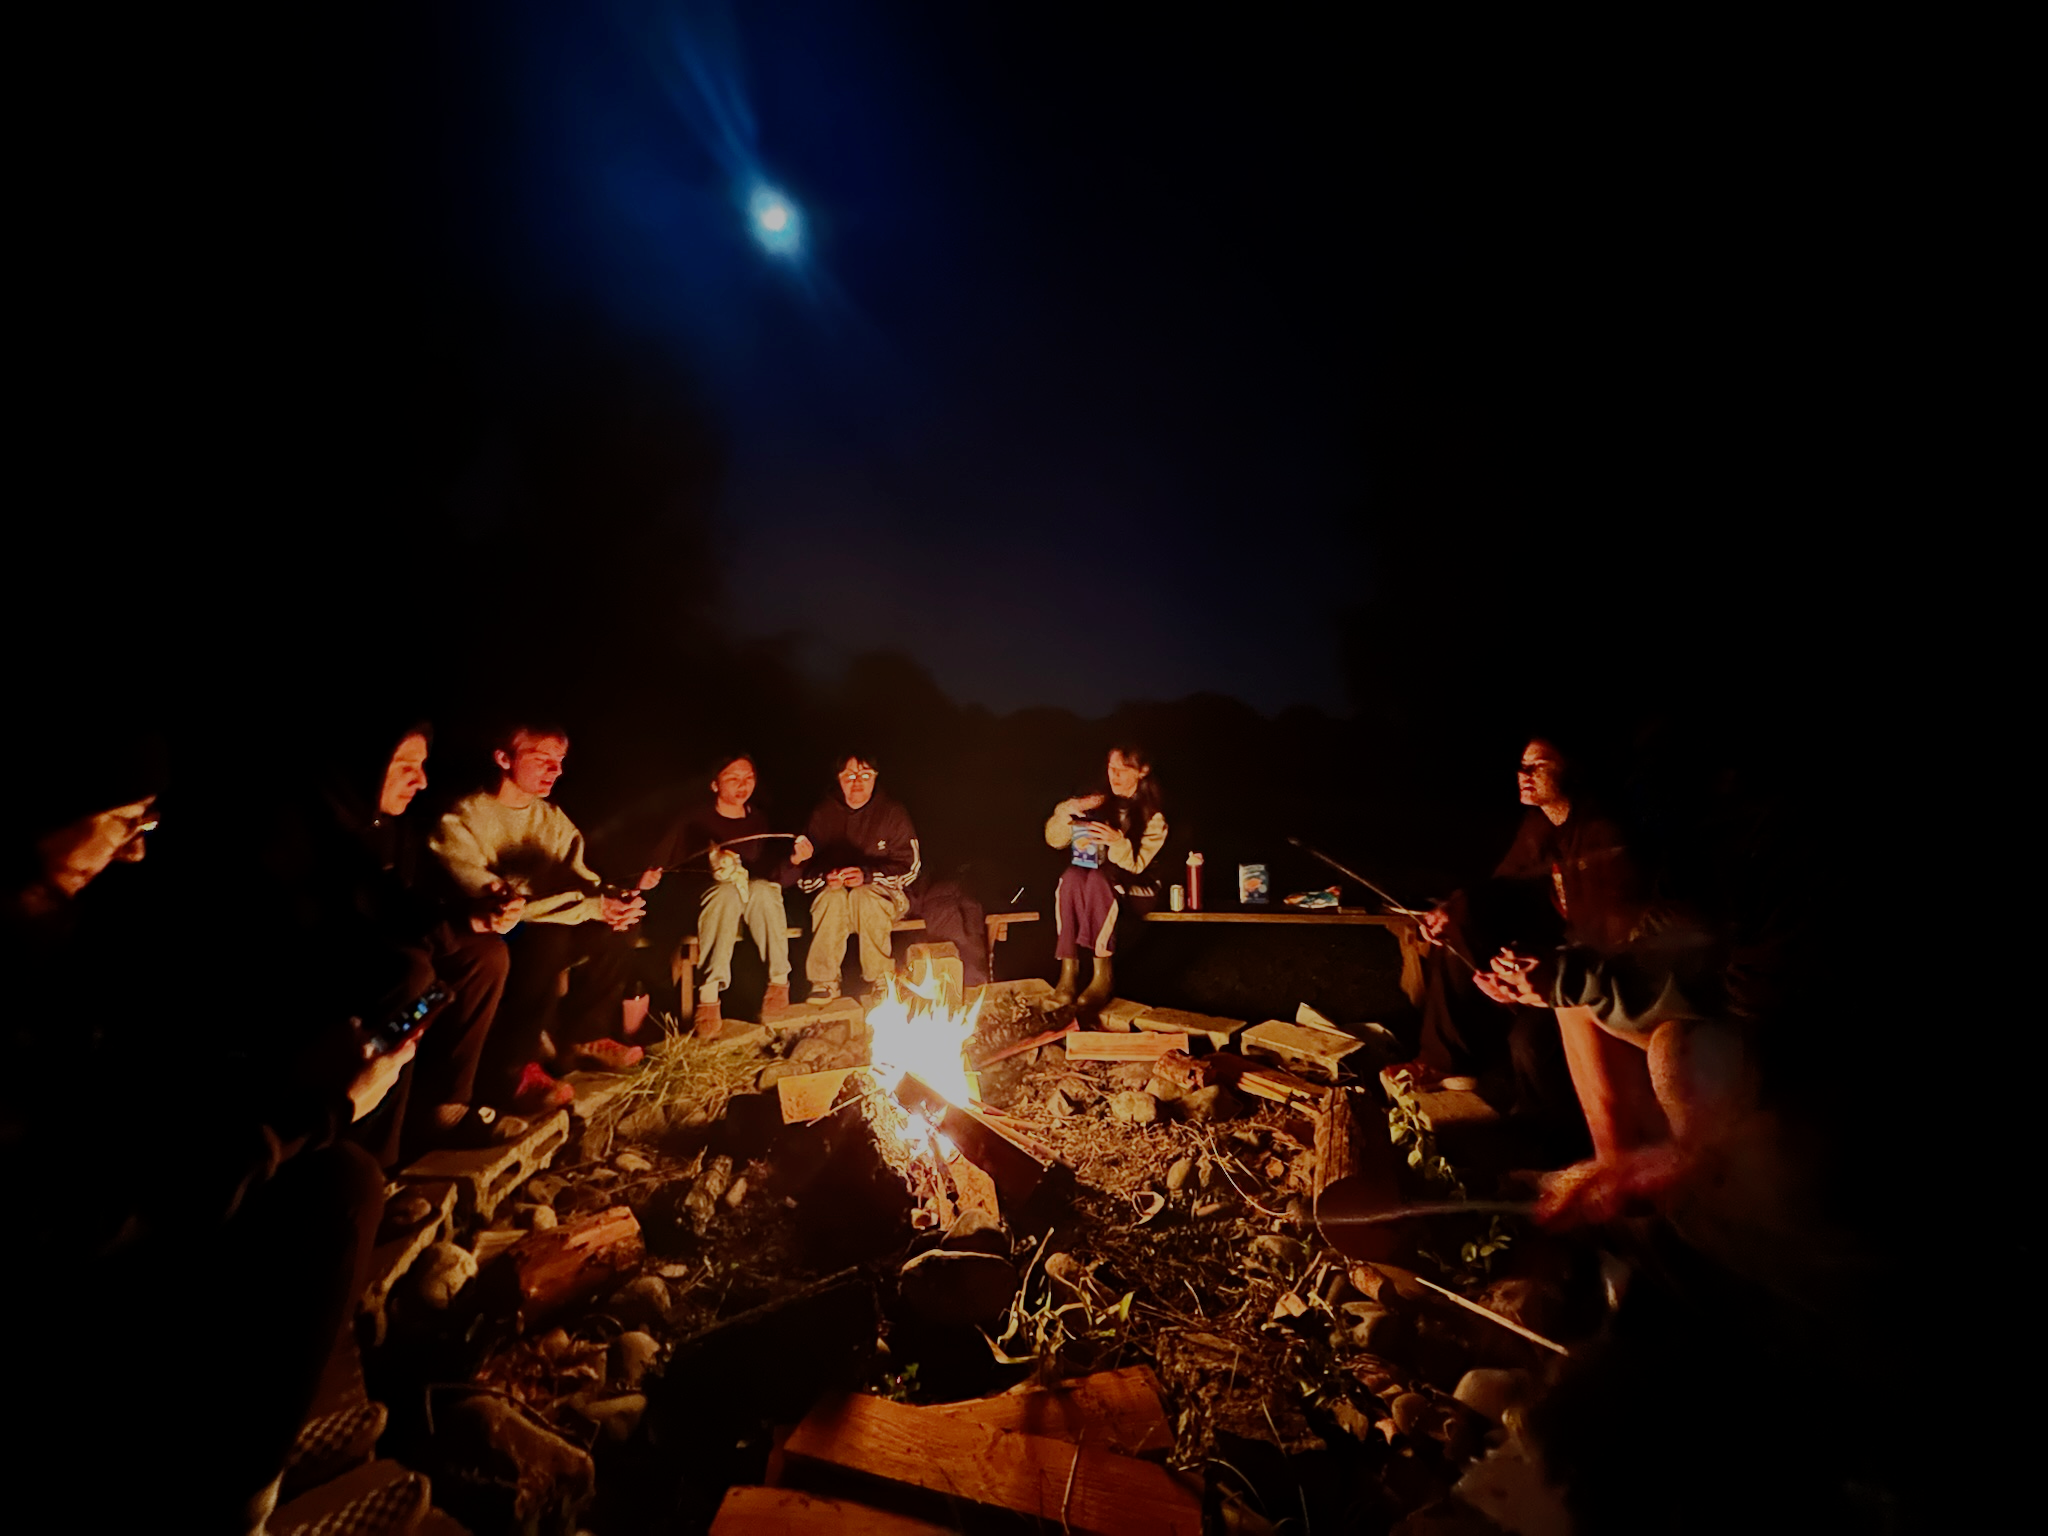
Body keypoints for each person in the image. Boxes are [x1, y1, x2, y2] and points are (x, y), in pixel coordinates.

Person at [2, 730, 407, 1532]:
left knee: (331, 1175)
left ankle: (246, 1435)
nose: (136, 851)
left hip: (101, 1219)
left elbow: (137, 1090)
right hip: (60, 1285)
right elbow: (83, 1215)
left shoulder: (61, 930)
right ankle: (230, 1502)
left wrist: (283, 1085)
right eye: (125, 820)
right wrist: (318, 1112)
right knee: (335, 1186)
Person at [265, 717, 511, 1163]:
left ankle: (445, 1108)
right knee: (410, 975)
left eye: (423, 766)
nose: (422, 781)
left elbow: (409, 901)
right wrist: (423, 937)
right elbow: (328, 923)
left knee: (484, 956)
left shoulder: (389, 828)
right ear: (367, 767)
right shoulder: (305, 829)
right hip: (314, 969)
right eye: (405, 767)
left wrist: (469, 918)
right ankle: (373, 1158)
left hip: (383, 945)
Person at [1403, 735, 1658, 1157]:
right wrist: (1452, 909)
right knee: (1460, 924)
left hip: (1604, 964)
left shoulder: (1602, 831)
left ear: (1572, 771)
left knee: (1530, 1038)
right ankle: (1442, 1061)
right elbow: (1505, 884)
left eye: (1539, 765)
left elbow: (1605, 936)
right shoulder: (1540, 824)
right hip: (1558, 946)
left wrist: (1538, 970)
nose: (1523, 774)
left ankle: (1554, 1143)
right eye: (1522, 765)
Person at [429, 721, 649, 1114]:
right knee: (547, 937)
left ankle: (583, 1037)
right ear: (504, 759)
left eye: (560, 761)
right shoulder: (463, 818)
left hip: (550, 922)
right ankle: (515, 1069)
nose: (555, 770)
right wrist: (588, 906)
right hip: (496, 932)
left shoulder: (551, 819)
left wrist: (613, 900)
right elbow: (492, 901)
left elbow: (580, 878)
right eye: (542, 758)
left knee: (620, 926)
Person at [647, 751, 801, 1038]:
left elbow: (774, 875)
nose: (742, 785)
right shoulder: (694, 819)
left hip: (749, 903)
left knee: (764, 889)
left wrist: (794, 860)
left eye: (748, 778)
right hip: (707, 903)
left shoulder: (759, 820)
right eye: (733, 778)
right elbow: (663, 862)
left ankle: (779, 980)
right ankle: (708, 997)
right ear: (714, 784)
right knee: (725, 893)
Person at [1042, 745, 1167, 1010]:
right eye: (1111, 768)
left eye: (1123, 769)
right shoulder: (1099, 802)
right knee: (1071, 877)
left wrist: (1117, 842)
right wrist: (1067, 810)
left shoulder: (1153, 816)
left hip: (1139, 887)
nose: (1115, 775)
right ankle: (1068, 973)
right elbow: (1054, 840)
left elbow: (1137, 865)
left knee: (1098, 880)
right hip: (1098, 879)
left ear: (1143, 771)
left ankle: (1102, 975)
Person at [792, 751, 919, 1003]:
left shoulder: (892, 813)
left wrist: (868, 875)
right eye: (849, 776)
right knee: (831, 897)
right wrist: (826, 877)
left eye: (865, 775)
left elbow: (911, 867)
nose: (857, 782)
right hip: (837, 897)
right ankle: (824, 982)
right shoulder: (823, 814)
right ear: (839, 779)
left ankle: (881, 980)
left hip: (885, 895)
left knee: (865, 895)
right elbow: (802, 874)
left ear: (875, 777)